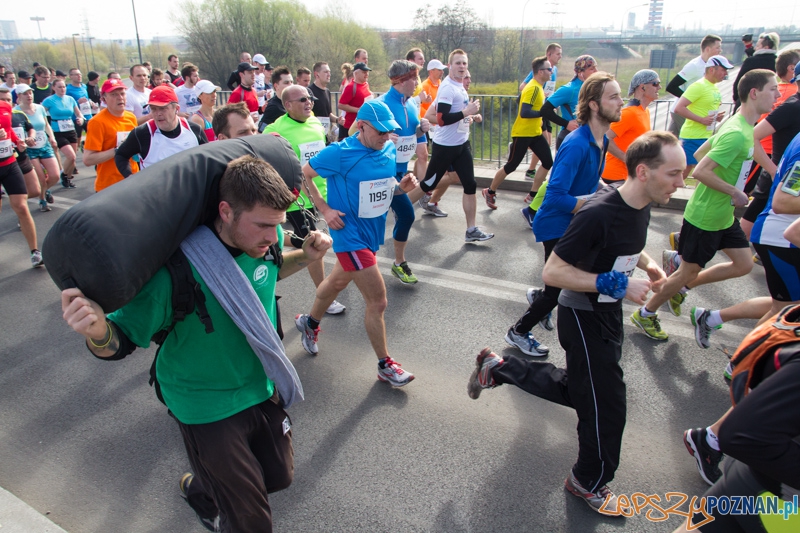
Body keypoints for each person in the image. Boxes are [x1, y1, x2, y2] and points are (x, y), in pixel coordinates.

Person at [61, 154, 332, 532]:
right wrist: (95, 332)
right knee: (250, 522)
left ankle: (202, 486)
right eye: (263, 226)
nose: (274, 237)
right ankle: (219, 501)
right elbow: (118, 341)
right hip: (204, 402)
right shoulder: (177, 273)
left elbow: (265, 275)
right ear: (225, 211)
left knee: (279, 477)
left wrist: (305, 256)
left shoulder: (264, 245)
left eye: (279, 226)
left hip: (259, 385)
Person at [469, 130, 684, 515]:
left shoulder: (643, 202)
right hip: (583, 317)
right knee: (607, 404)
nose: (681, 182)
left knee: (580, 390)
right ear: (643, 171)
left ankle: (498, 367)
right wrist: (613, 282)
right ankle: (588, 480)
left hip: (606, 313)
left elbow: (630, 247)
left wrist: (651, 269)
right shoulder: (600, 213)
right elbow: (553, 272)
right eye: (674, 173)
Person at [630, 70, 780, 341]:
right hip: (706, 217)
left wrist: (772, 168)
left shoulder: (742, 127)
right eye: (773, 89)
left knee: (744, 263)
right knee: (686, 272)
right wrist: (735, 191)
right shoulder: (735, 132)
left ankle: (681, 284)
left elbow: (704, 152)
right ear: (754, 93)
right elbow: (699, 170)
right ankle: (646, 313)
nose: (778, 95)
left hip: (722, 216)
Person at [294, 100, 418, 386]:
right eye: (381, 131)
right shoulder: (340, 153)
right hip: (349, 237)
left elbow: (382, 186)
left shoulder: (387, 147)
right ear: (361, 126)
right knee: (378, 301)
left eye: (389, 131)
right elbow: (305, 173)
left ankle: (309, 323)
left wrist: (401, 188)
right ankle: (385, 365)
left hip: (372, 234)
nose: (386, 136)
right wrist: (324, 209)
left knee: (336, 283)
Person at [506, 72, 622, 356]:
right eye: (614, 97)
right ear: (594, 105)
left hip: (574, 222)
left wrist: (610, 194)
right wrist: (595, 207)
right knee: (559, 289)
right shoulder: (577, 144)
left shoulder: (601, 139)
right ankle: (518, 332)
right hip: (556, 224)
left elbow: (591, 180)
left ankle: (540, 296)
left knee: (574, 281)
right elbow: (556, 195)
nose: (621, 102)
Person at [693, 129, 800, 349]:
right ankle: (743, 363)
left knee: (782, 304)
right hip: (782, 238)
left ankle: (711, 318)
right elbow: (782, 202)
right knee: (784, 309)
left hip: (782, 235)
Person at [264, 84, 346, 314]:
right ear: (287, 105)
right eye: (302, 100)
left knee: (332, 239)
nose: (308, 102)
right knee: (315, 244)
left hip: (323, 194)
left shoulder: (315, 124)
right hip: (298, 199)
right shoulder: (275, 129)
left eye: (309, 98)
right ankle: (323, 294)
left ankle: (286, 248)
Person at [406, 49, 492, 243]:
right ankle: (400, 208)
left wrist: (467, 115)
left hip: (461, 145)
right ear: (450, 66)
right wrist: (465, 112)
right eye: (458, 63)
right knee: (428, 183)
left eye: (464, 63)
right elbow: (442, 119)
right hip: (445, 147)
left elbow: (433, 113)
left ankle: (471, 230)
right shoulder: (448, 88)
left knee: (470, 184)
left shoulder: (459, 86)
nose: (462, 67)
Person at [378, 59, 431, 284]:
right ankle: (361, 261)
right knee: (388, 217)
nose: (418, 82)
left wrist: (422, 128)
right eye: (415, 78)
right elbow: (355, 133)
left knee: (404, 214)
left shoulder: (410, 104)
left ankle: (396, 263)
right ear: (402, 80)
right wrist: (381, 137)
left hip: (400, 171)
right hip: (380, 173)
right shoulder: (381, 104)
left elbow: (415, 135)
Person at [485, 56, 554, 213]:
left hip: (535, 133)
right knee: (511, 165)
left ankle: (532, 195)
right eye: (549, 69)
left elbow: (519, 100)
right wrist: (544, 112)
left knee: (548, 161)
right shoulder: (534, 88)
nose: (551, 72)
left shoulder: (536, 87)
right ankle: (490, 191)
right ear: (540, 71)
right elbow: (524, 112)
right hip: (522, 134)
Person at [115, 86, 207, 176]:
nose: (158, 114)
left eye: (163, 108)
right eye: (153, 109)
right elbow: (121, 155)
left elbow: (207, 158)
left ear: (177, 109)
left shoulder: (194, 130)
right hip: (154, 190)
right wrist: (130, 177)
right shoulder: (141, 133)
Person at [674, 55, 733, 180]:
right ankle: (664, 194)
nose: (725, 73)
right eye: (723, 70)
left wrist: (716, 117)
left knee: (703, 171)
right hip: (692, 136)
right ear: (712, 70)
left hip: (705, 136)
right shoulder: (698, 86)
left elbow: (704, 110)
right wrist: (702, 120)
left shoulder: (714, 87)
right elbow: (679, 108)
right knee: (685, 172)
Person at [0, 96, 43, 267]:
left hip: (10, 163)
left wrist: (16, 141)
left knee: (22, 207)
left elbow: (8, 129)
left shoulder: (4, 106)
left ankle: (35, 253)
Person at [601, 69, 660, 184]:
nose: (659, 87)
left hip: (630, 175)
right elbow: (605, 137)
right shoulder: (629, 113)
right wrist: (627, 159)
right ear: (642, 87)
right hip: (617, 176)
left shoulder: (644, 111)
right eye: (655, 83)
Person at [82, 78, 139, 192]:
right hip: (109, 186)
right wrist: (119, 150)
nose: (120, 97)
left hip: (132, 180)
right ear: (104, 99)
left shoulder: (131, 117)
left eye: (122, 93)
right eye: (113, 94)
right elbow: (88, 159)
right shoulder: (97, 122)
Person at [13, 83, 60, 211]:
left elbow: (46, 125)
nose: (29, 96)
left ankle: (44, 191)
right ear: (19, 96)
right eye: (25, 94)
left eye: (30, 93)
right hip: (29, 149)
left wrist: (52, 138)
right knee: (40, 178)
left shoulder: (39, 108)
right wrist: (26, 139)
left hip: (44, 145)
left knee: (55, 175)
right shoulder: (16, 112)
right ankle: (42, 200)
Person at [520, 43, 562, 182]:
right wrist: (541, 95)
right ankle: (529, 167)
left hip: (546, 110)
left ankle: (531, 169)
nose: (560, 56)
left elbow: (550, 90)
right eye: (558, 53)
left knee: (547, 143)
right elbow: (523, 86)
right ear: (549, 54)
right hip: (539, 110)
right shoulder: (542, 68)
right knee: (544, 142)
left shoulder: (553, 70)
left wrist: (552, 102)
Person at [665, 34, 723, 137]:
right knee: (681, 144)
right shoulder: (695, 66)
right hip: (683, 112)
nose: (720, 50)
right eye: (717, 48)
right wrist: (690, 101)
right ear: (708, 49)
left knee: (670, 142)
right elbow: (671, 87)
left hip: (687, 112)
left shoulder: (709, 66)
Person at [541, 55, 599, 151]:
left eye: (596, 68)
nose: (596, 72)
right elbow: (545, 109)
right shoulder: (569, 89)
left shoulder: (591, 88)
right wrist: (566, 123)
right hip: (570, 139)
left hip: (587, 137)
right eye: (592, 69)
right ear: (580, 73)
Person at [41, 79, 85, 188]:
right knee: (70, 156)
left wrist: (80, 119)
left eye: (64, 87)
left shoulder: (70, 99)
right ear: (54, 88)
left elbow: (79, 113)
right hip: (58, 131)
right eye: (59, 87)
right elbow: (39, 113)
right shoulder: (49, 100)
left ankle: (67, 178)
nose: (62, 89)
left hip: (70, 130)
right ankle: (64, 174)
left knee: (73, 159)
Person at [732, 32, 779, 111]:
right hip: (768, 102)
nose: (755, 48)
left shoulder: (751, 61)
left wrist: (737, 99)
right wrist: (748, 46)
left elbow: (739, 82)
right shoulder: (777, 61)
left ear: (766, 47)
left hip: (749, 102)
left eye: (757, 46)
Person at [337, 62, 372, 141]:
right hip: (349, 127)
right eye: (364, 72)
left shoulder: (366, 84)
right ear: (356, 73)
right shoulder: (350, 87)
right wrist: (358, 110)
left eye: (367, 72)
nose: (366, 74)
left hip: (362, 125)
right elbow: (341, 105)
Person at [309, 62, 338, 142]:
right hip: (313, 135)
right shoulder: (309, 91)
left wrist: (338, 120)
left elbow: (328, 114)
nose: (329, 74)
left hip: (325, 136)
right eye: (325, 72)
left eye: (329, 72)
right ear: (316, 74)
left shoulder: (327, 91)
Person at [66, 68, 96, 140]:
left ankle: (87, 148)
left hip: (88, 115)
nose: (79, 76)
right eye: (76, 75)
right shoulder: (68, 89)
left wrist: (90, 102)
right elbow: (66, 104)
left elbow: (87, 98)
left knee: (93, 136)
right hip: (76, 117)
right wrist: (77, 102)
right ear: (70, 76)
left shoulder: (84, 86)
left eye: (80, 74)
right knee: (77, 138)